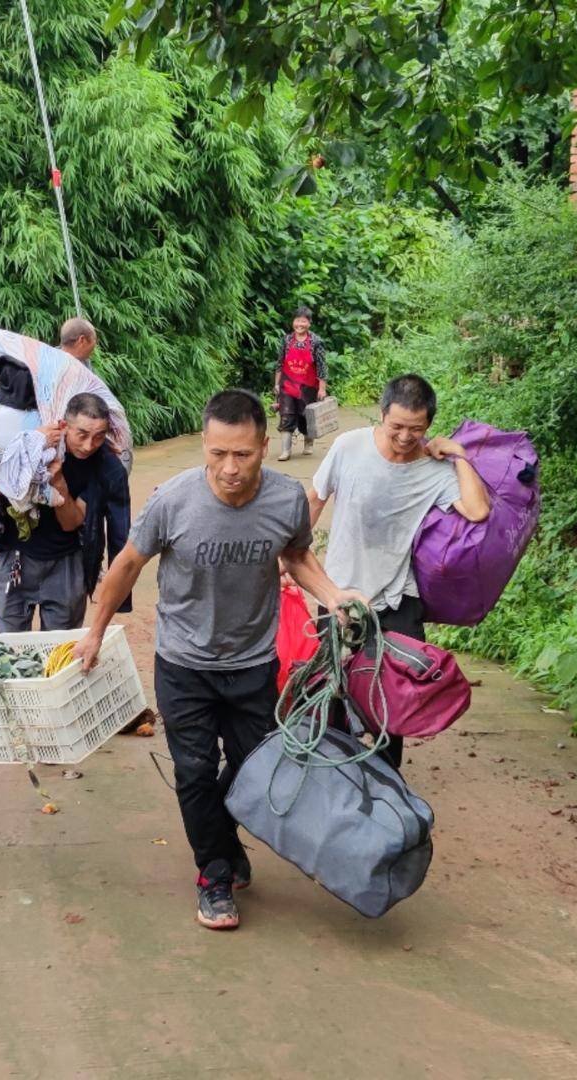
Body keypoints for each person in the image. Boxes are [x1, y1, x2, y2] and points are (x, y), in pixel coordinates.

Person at [75, 389, 366, 931]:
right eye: (218, 454)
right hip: (184, 663)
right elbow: (128, 564)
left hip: (252, 661)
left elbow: (296, 554)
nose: (230, 468)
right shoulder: (173, 501)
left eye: (243, 455)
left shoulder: (285, 499)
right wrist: (94, 631)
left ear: (264, 447)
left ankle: (223, 837)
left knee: (255, 768)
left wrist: (333, 596)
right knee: (194, 771)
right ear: (205, 446)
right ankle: (213, 874)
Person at [308, 374, 491, 770]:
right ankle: (335, 780)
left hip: (397, 599)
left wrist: (460, 455)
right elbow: (315, 500)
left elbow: (478, 510)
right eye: (397, 427)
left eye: (417, 429)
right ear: (382, 414)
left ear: (429, 425)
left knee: (392, 701)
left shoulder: (434, 470)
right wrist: (290, 559)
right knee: (333, 696)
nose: (406, 437)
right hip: (339, 594)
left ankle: (385, 783)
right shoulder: (348, 447)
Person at [0, 393, 122, 632]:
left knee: (61, 646)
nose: (89, 445)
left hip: (65, 564)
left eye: (99, 437)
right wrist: (34, 443)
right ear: (64, 425)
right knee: (9, 645)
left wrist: (57, 481)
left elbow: (72, 522)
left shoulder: (102, 466)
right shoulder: (31, 440)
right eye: (82, 435)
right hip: (16, 559)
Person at [273, 306, 327, 462]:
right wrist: (277, 384)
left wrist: (322, 388)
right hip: (287, 385)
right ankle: (286, 451)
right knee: (286, 415)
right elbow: (280, 363)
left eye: (303, 321)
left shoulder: (316, 342)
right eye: (297, 321)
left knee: (306, 416)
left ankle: (308, 443)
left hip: (308, 387)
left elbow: (322, 367)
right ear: (293, 322)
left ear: (309, 323)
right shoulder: (286, 340)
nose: (300, 324)